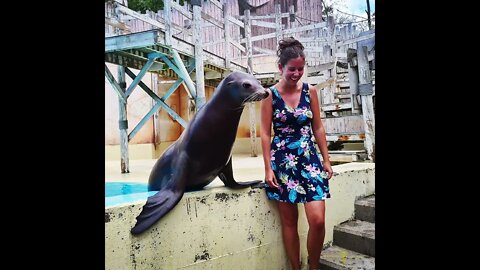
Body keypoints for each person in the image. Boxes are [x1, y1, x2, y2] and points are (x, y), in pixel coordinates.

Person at [260, 37, 333, 270]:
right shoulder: (270, 95)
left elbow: (318, 127)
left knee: (318, 220)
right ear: (281, 68)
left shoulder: (310, 91)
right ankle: (295, 267)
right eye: (292, 69)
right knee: (289, 222)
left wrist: (326, 160)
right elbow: (264, 133)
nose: (296, 73)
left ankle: (314, 266)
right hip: (282, 163)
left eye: (300, 68)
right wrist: (268, 168)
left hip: (310, 161)